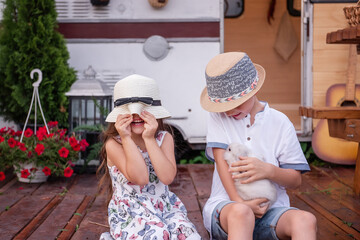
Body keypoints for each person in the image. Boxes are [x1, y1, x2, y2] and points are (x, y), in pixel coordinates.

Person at [199, 52, 317, 240]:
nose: (229, 111)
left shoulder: (280, 122)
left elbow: (295, 181)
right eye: (224, 106)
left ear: (253, 90)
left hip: (271, 211)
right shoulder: (217, 116)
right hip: (229, 209)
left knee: (306, 220)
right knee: (242, 213)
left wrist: (268, 171)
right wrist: (240, 202)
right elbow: (222, 162)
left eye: (236, 103)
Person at [98, 74, 201, 240]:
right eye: (129, 112)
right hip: (130, 212)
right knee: (157, 235)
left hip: (165, 207)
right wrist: (126, 137)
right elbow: (140, 178)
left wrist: (149, 138)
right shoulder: (115, 144)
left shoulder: (163, 138)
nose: (136, 115)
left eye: (143, 110)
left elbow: (167, 177)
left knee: (189, 236)